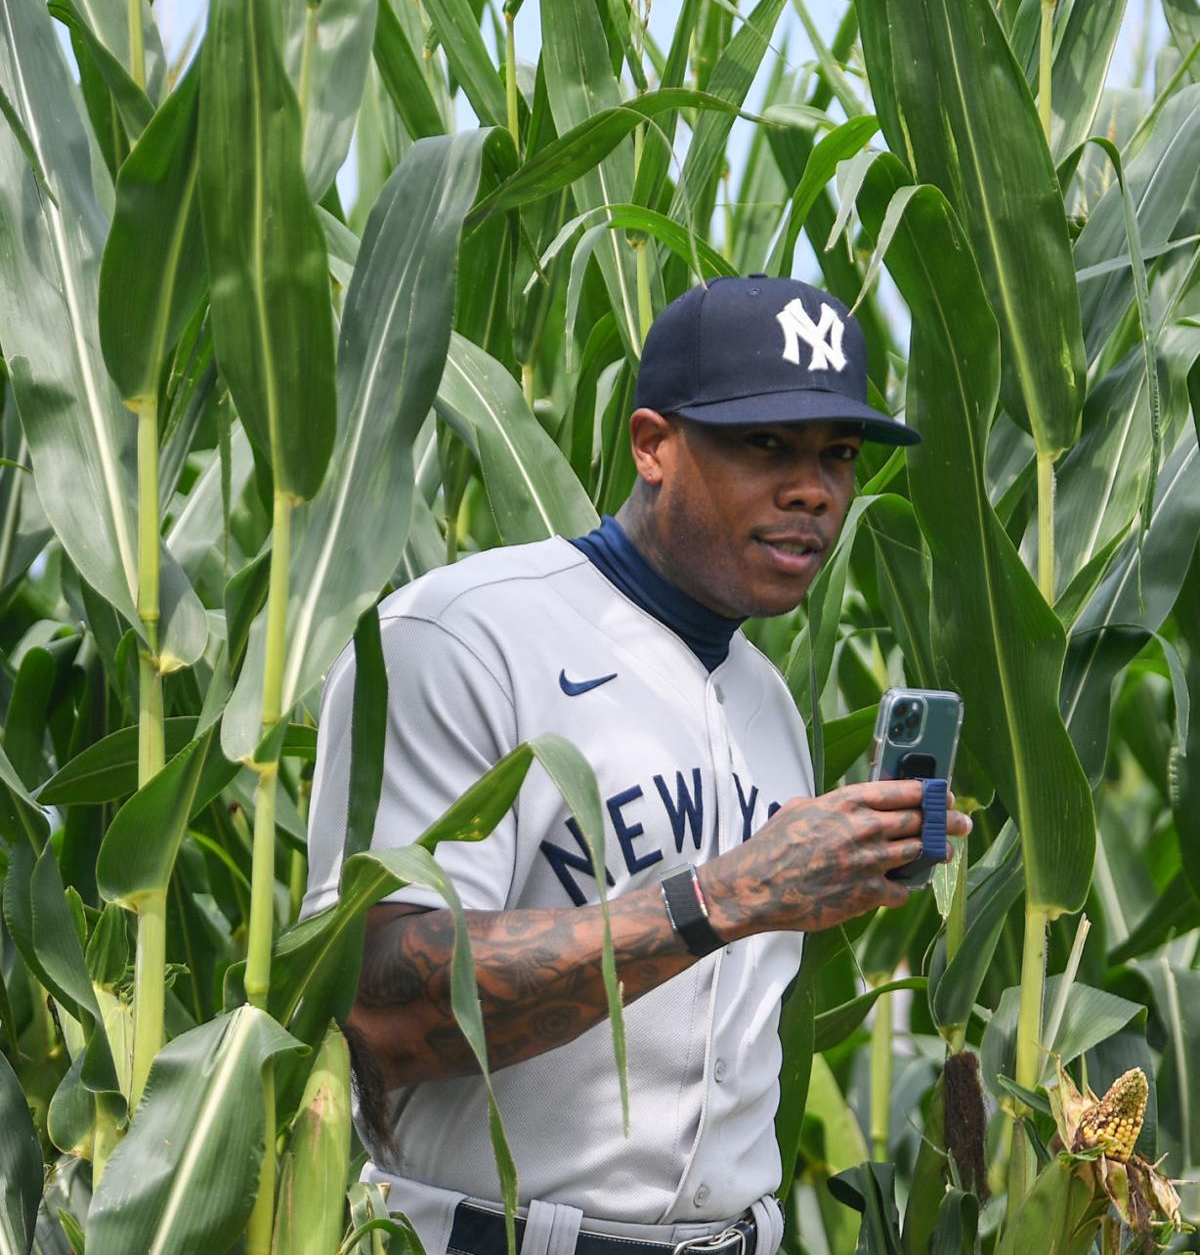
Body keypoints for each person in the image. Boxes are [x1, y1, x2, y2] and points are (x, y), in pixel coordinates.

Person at [302, 274, 971, 1255]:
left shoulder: (769, 703)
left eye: (838, 455)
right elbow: (378, 1012)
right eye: (765, 444)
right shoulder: (461, 637)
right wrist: (728, 893)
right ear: (651, 442)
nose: (814, 490)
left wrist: (824, 884)